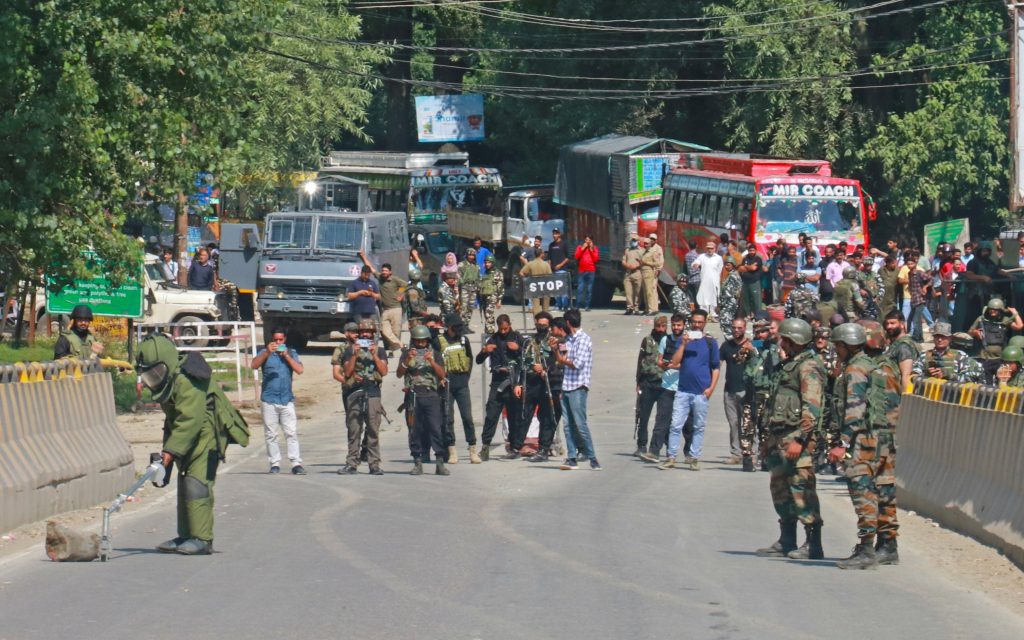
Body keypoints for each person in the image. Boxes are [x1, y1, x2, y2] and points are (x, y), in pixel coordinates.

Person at [136, 333, 249, 556]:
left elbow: (191, 419)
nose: (153, 377)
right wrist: (166, 455)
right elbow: (174, 421)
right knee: (184, 480)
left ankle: (203, 539)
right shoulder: (170, 382)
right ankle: (186, 535)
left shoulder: (186, 380)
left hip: (207, 433)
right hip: (189, 433)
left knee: (197, 484)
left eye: (155, 371)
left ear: (166, 363)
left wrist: (171, 450)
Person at [826, 323, 900, 569]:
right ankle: (888, 545)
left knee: (863, 492)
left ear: (846, 345)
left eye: (838, 346)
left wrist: (842, 443)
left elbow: (854, 410)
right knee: (884, 490)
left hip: (863, 440)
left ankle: (866, 549)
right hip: (883, 437)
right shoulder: (880, 366)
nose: (836, 350)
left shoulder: (856, 369)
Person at [755, 318, 826, 561]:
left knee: (801, 489)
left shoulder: (807, 367)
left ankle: (813, 544)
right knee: (780, 488)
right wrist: (767, 441)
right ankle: (787, 539)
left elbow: (812, 407)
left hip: (797, 440)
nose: (780, 343)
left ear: (795, 341)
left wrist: (801, 439)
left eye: (784, 339)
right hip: (779, 438)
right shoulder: (787, 365)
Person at [658, 309, 719, 471]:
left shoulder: (710, 342)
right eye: (694, 322)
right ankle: (671, 457)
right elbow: (675, 361)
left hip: (701, 392)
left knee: (698, 427)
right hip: (683, 390)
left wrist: (711, 389)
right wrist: (684, 344)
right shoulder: (683, 340)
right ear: (690, 323)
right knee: (676, 425)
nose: (697, 325)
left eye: (700, 322)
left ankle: (694, 457)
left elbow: (716, 368)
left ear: (705, 323)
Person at [252, 327, 305, 475]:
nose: (278, 342)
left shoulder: (292, 353)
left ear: (285, 339)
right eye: (275, 340)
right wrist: (268, 352)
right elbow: (254, 365)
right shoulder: (264, 353)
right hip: (269, 399)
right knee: (271, 433)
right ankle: (274, 463)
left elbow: (300, 370)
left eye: (280, 340)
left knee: (291, 432)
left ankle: (296, 463)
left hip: (286, 399)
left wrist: (287, 356)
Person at [337, 320, 388, 475]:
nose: (365, 335)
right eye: (363, 332)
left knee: (373, 429)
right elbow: (347, 372)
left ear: (373, 334)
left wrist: (374, 355)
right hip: (354, 392)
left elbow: (384, 371)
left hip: (372, 392)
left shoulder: (379, 351)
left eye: (369, 332)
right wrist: (354, 354)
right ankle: (352, 463)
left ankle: (374, 464)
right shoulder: (349, 350)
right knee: (354, 430)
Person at [397, 325, 449, 476]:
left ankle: (439, 461)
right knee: (415, 430)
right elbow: (400, 374)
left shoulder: (435, 354)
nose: (420, 344)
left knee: (435, 428)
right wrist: (407, 360)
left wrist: (431, 361)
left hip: (431, 395)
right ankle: (417, 461)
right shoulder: (407, 354)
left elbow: (442, 374)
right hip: (413, 396)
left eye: (423, 341)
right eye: (418, 341)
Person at [554, 309, 599, 470]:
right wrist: (556, 349)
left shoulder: (584, 339)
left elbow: (577, 364)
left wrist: (561, 359)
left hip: (578, 386)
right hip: (566, 385)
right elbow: (562, 358)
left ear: (568, 323)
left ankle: (592, 457)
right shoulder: (569, 339)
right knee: (568, 425)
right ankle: (571, 457)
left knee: (580, 423)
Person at [640, 312, 688, 464]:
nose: (676, 327)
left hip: (683, 387)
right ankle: (654, 451)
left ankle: (689, 454)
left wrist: (675, 365)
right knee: (662, 419)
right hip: (666, 385)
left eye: (679, 325)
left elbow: (688, 364)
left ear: (684, 325)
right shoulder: (665, 340)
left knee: (685, 424)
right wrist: (664, 364)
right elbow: (659, 361)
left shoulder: (687, 341)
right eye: (673, 325)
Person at [476, 314, 525, 460]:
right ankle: (485, 446)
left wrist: (518, 348)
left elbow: (528, 355)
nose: (503, 332)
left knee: (514, 416)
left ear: (510, 324)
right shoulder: (493, 339)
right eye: (501, 329)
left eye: (506, 328)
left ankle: (514, 447)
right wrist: (485, 351)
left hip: (514, 382)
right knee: (491, 415)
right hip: (498, 383)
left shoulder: (517, 337)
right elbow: (478, 360)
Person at [518, 311, 561, 462]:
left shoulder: (554, 341)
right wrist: (532, 367)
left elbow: (558, 362)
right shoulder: (529, 341)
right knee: (525, 413)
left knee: (548, 416)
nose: (541, 327)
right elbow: (523, 361)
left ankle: (544, 448)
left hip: (548, 383)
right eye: (539, 324)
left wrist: (544, 370)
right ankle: (517, 444)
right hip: (532, 382)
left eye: (544, 325)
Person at [438, 314, 479, 464]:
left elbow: (470, 359)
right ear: (449, 327)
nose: (458, 330)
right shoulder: (439, 341)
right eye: (456, 327)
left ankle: (473, 450)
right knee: (448, 419)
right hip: (447, 385)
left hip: (461, 384)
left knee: (467, 418)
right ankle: (452, 450)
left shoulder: (463, 340)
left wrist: (465, 378)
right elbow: (436, 361)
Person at [741, 317, 780, 472]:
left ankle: (765, 458)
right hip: (752, 392)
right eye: (759, 331)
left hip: (768, 393)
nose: (763, 334)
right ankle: (747, 458)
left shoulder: (776, 347)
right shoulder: (750, 346)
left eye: (766, 330)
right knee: (747, 427)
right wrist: (747, 350)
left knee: (767, 428)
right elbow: (738, 359)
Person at [719, 318, 755, 465]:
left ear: (745, 328)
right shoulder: (726, 346)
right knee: (733, 423)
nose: (736, 330)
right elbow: (717, 365)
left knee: (749, 424)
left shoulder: (751, 346)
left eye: (739, 328)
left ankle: (751, 453)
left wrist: (752, 350)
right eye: (734, 327)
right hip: (730, 390)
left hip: (746, 391)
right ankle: (736, 453)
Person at [633, 315, 668, 458]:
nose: (660, 329)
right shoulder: (647, 340)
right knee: (643, 416)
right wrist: (638, 381)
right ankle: (642, 445)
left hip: (664, 383)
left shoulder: (669, 341)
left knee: (664, 418)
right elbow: (640, 361)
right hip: (647, 383)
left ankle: (662, 446)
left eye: (663, 326)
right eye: (658, 326)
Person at [969, 297, 1023, 383]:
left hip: (1000, 358)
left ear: (1000, 310)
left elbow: (1019, 326)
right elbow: (970, 332)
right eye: (991, 309)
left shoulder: (1004, 320)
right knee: (986, 383)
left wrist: (1014, 313)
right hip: (984, 357)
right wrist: (975, 332)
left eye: (995, 309)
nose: (992, 311)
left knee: (1002, 381)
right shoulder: (981, 319)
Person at [911, 322, 983, 383]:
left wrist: (949, 375)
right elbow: (913, 376)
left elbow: (973, 377)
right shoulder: (924, 355)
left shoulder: (960, 356)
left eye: (943, 337)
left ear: (950, 338)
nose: (939, 339)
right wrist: (926, 375)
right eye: (937, 336)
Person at [883, 310, 919, 392]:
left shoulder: (904, 346)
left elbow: (906, 376)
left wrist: (905, 400)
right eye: (887, 324)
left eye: (893, 323)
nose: (889, 327)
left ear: (902, 324)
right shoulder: (895, 344)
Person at [377, 263, 407, 351]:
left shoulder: (394, 279)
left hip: (396, 309)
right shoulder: (380, 278)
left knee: (396, 332)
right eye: (382, 270)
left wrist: (400, 294)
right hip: (385, 310)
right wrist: (363, 257)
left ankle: (392, 349)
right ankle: (401, 345)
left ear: (390, 272)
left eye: (386, 271)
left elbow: (405, 285)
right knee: (383, 330)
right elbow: (372, 270)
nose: (384, 272)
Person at [693, 241, 724, 319]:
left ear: (715, 249)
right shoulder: (702, 256)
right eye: (708, 248)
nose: (710, 250)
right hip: (704, 281)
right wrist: (696, 264)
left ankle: (713, 313)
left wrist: (718, 279)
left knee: (714, 296)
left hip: (714, 281)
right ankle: (704, 313)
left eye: (711, 248)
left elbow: (720, 269)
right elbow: (696, 261)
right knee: (704, 296)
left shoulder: (718, 258)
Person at [478, 255, 504, 334]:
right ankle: (488, 331)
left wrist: (499, 300)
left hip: (492, 297)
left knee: (489, 315)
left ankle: (490, 332)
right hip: (484, 297)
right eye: (486, 262)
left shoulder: (498, 273)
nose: (487, 264)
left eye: (489, 262)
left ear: (493, 263)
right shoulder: (485, 273)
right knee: (487, 315)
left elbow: (501, 288)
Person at [640, 233, 664, 315]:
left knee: (652, 290)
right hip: (647, 272)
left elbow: (660, 261)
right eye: (651, 238)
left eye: (653, 239)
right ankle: (649, 308)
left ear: (656, 240)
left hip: (654, 271)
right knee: (648, 290)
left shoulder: (658, 248)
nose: (652, 240)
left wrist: (659, 270)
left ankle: (654, 308)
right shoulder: (646, 250)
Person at [574, 235, 599, 311]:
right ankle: (577, 305)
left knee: (589, 289)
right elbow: (576, 256)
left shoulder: (595, 248)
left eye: (589, 240)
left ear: (591, 241)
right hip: (582, 271)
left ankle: (587, 305)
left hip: (591, 271)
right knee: (580, 289)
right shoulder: (579, 247)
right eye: (586, 240)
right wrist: (583, 248)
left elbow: (596, 259)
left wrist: (591, 249)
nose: (587, 242)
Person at [548, 228, 570, 310]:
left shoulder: (564, 244)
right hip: (553, 270)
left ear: (559, 234)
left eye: (556, 233)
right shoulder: (551, 245)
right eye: (553, 234)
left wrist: (560, 265)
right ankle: (558, 305)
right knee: (556, 289)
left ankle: (565, 306)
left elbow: (568, 258)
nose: (554, 235)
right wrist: (549, 268)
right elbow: (549, 258)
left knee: (563, 288)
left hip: (562, 270)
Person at [738, 244, 764, 316]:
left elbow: (754, 268)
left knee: (756, 300)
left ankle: (758, 315)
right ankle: (748, 315)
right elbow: (740, 269)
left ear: (755, 251)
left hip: (754, 281)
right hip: (745, 282)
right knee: (746, 299)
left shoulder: (758, 259)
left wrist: (745, 267)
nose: (751, 252)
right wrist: (749, 266)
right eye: (750, 250)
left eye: (753, 250)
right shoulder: (745, 258)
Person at [458, 248, 481, 328]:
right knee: (463, 307)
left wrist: (478, 286)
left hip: (473, 289)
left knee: (471, 307)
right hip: (465, 288)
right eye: (469, 255)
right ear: (466, 255)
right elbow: (458, 275)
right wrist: (462, 282)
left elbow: (478, 277)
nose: (471, 257)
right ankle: (461, 325)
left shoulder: (476, 266)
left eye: (472, 255)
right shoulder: (461, 264)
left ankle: (466, 325)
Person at [621, 235, 644, 315]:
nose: (633, 242)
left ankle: (636, 308)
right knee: (628, 292)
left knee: (638, 292)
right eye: (632, 240)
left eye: (635, 240)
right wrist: (627, 265)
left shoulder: (641, 251)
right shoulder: (627, 250)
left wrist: (636, 266)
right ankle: (629, 308)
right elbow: (623, 261)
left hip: (637, 273)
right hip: (628, 273)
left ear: (638, 241)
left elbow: (643, 262)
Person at [718, 257, 742, 328]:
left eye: (728, 265)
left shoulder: (733, 276)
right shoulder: (732, 275)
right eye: (725, 265)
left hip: (729, 303)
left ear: (733, 265)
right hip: (731, 303)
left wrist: (721, 304)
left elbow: (727, 292)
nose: (726, 266)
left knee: (726, 324)